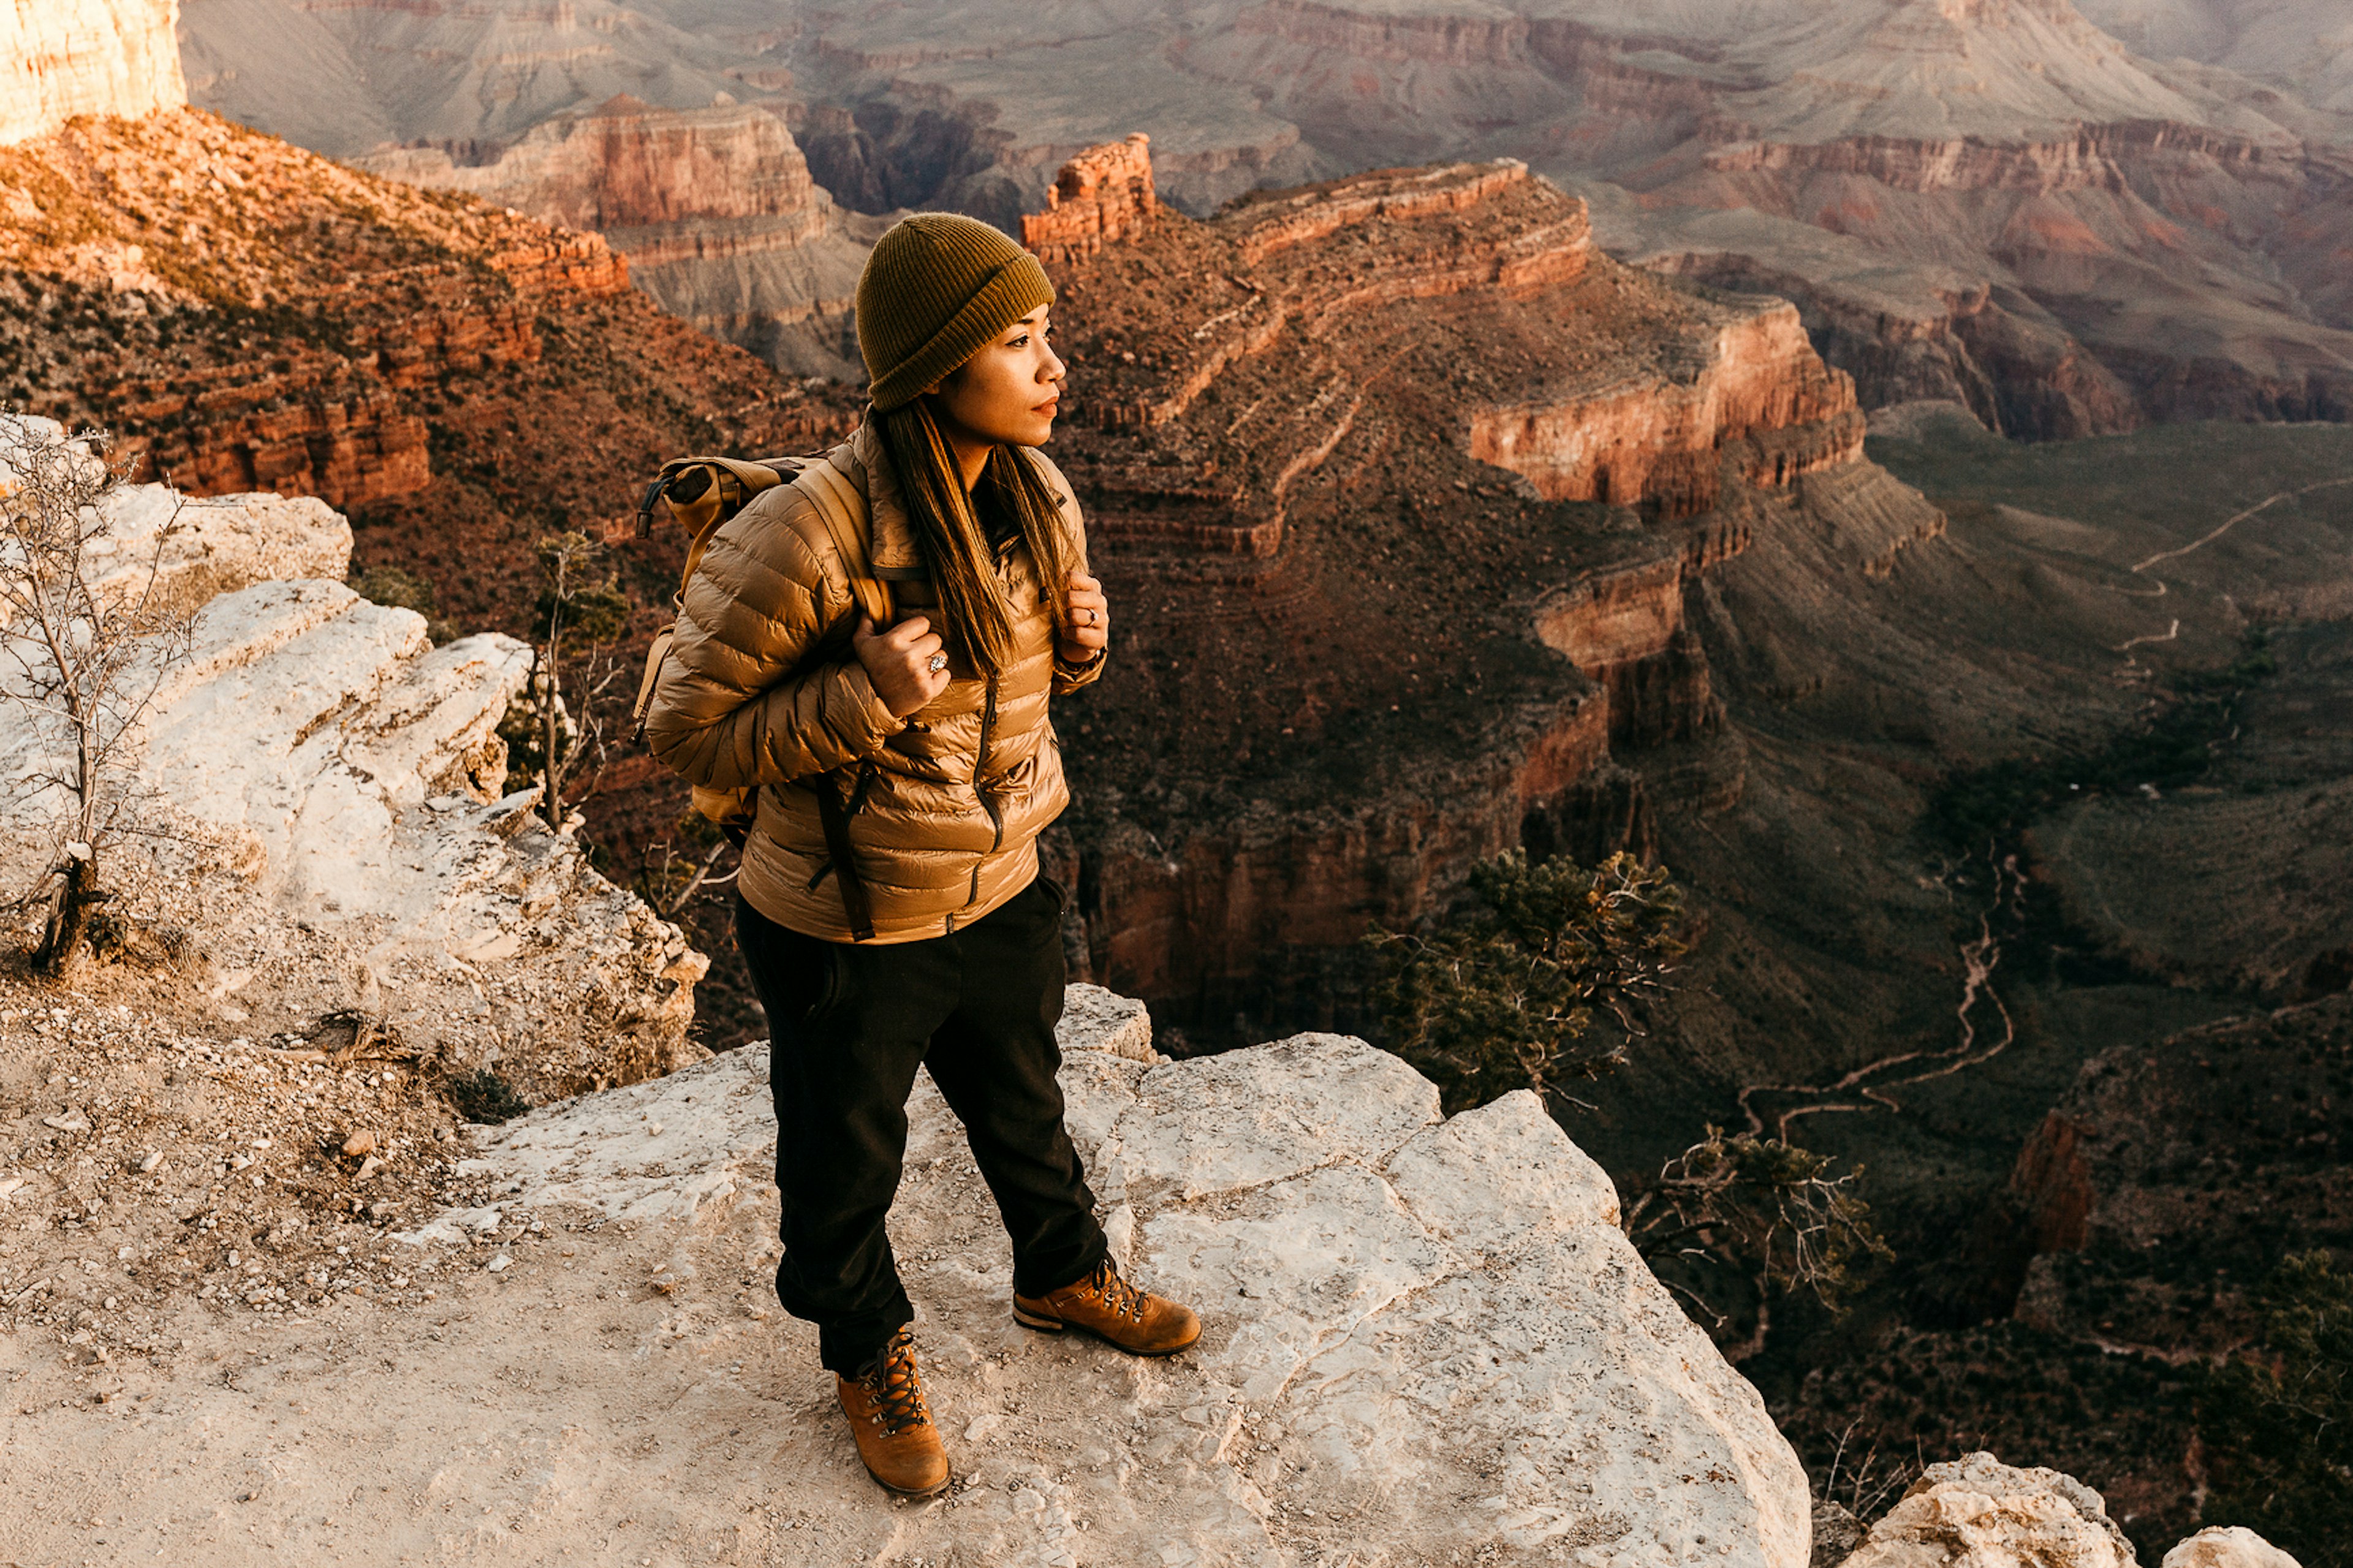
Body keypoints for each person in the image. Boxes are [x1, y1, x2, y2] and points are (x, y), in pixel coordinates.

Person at [643, 213, 1200, 1499]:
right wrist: (859, 694)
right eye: (1018, 340)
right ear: (938, 370)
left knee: (1027, 1106)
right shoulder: (810, 532)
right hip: (848, 917)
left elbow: (1018, 691)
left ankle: (1061, 1272)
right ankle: (866, 1347)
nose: (1054, 364)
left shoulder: (1034, 488)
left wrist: (1084, 645)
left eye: (1047, 332)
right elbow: (687, 731)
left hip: (1001, 878)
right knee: (844, 1159)